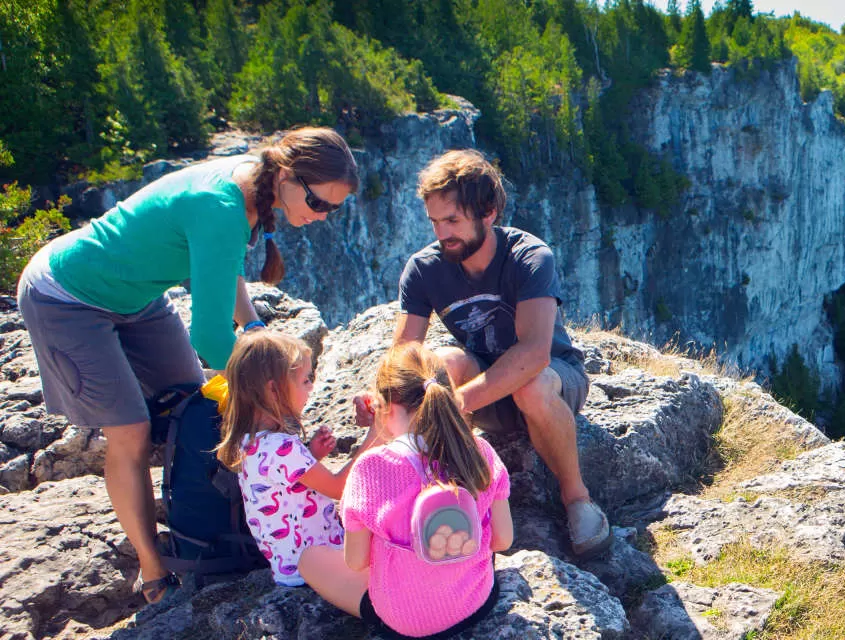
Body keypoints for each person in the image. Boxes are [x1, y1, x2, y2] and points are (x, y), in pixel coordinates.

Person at [14, 127, 358, 603]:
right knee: (131, 429)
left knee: (194, 407)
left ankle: (218, 522)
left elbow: (221, 269)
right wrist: (271, 385)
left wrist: (256, 330)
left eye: (333, 210)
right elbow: (210, 338)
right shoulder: (223, 205)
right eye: (320, 203)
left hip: (135, 293)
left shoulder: (252, 186)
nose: (321, 216)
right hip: (67, 295)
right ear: (287, 174)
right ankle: (153, 570)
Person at [392, 150, 610, 557]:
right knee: (440, 364)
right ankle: (447, 500)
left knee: (531, 386)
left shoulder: (528, 257)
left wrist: (457, 402)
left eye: (453, 221)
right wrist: (386, 400)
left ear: (488, 212)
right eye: (435, 222)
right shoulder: (424, 269)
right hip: (487, 383)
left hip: (555, 380)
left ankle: (577, 498)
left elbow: (534, 354)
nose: (442, 233)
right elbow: (405, 354)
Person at [299, 343, 513, 638]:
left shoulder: (371, 468)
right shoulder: (480, 451)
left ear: (387, 408)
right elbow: (502, 541)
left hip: (403, 622)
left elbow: (356, 561)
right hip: (476, 603)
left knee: (309, 558)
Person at [214, 331, 379, 586]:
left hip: (288, 568)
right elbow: (338, 488)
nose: (311, 387)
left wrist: (311, 455)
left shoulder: (251, 441)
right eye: (305, 381)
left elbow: (281, 484)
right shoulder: (283, 448)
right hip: (319, 567)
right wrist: (375, 435)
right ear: (274, 390)